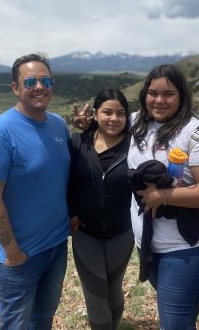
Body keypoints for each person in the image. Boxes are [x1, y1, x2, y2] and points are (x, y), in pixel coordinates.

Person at [0, 53, 70, 330]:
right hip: (22, 254)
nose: (39, 87)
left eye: (45, 81)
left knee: (43, 318)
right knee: (15, 324)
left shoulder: (57, 124)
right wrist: (12, 252)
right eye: (30, 81)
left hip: (56, 245)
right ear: (16, 88)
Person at [127, 64, 199, 330]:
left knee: (175, 324)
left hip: (188, 249)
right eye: (152, 92)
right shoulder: (136, 122)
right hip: (148, 243)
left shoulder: (196, 133)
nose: (159, 100)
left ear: (181, 96)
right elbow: (106, 124)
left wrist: (163, 196)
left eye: (168, 94)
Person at [67, 89, 134, 330]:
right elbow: (67, 182)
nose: (114, 118)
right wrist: (71, 212)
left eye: (120, 113)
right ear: (95, 114)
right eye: (107, 112)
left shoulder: (135, 146)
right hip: (85, 233)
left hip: (122, 233)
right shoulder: (78, 142)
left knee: (113, 288)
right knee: (95, 295)